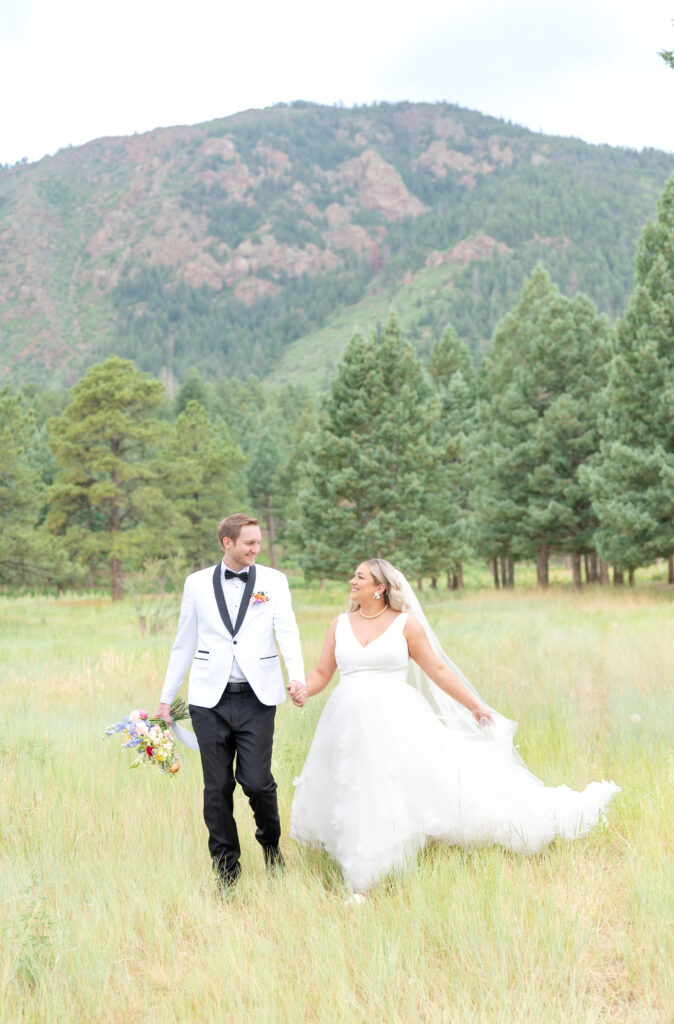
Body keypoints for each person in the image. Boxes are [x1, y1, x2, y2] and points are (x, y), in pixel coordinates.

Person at [287, 559, 619, 894]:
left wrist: (476, 706)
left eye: (359, 577)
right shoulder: (339, 624)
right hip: (347, 724)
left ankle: (376, 869)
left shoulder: (405, 625)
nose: (351, 581)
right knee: (356, 786)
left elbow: (438, 671)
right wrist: (303, 689)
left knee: (398, 785)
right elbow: (321, 674)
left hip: (394, 720)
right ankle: (360, 864)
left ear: (380, 587)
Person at [155, 513, 304, 889]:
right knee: (216, 786)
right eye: (249, 543)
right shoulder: (196, 583)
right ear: (227, 543)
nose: (257, 548)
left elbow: (287, 630)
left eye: (258, 542)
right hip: (209, 699)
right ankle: (226, 872)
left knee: (256, 782)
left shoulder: (274, 581)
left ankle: (271, 846)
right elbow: (184, 642)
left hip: (258, 698)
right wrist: (165, 699)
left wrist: (296, 678)